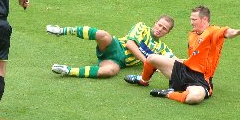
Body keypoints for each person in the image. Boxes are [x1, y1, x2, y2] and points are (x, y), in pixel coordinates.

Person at [124, 5, 240, 104]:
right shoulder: (193, 34)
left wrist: (236, 32)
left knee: (194, 98)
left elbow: (226, 32)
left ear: (204, 19)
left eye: (194, 19)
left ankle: (168, 94)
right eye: (191, 19)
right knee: (151, 58)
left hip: (200, 80)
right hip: (184, 70)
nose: (191, 22)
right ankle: (143, 80)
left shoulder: (213, 32)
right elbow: (194, 58)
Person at [46, 15, 175, 79]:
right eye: (159, 25)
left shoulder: (162, 48)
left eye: (164, 29)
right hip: (115, 46)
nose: (160, 29)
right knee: (103, 35)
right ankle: (62, 30)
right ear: (155, 23)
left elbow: (176, 60)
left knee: (109, 72)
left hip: (118, 61)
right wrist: (147, 62)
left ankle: (68, 71)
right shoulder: (141, 27)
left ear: (167, 33)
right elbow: (130, 44)